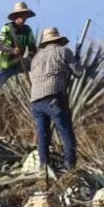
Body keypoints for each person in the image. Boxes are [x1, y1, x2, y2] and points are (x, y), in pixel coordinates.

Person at [29, 27, 83, 171]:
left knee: (43, 136)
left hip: (35, 101)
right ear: (58, 40)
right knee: (65, 131)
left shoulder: (36, 58)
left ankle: (44, 167)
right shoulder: (64, 51)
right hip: (54, 97)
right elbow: (78, 72)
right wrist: (77, 60)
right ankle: (69, 166)